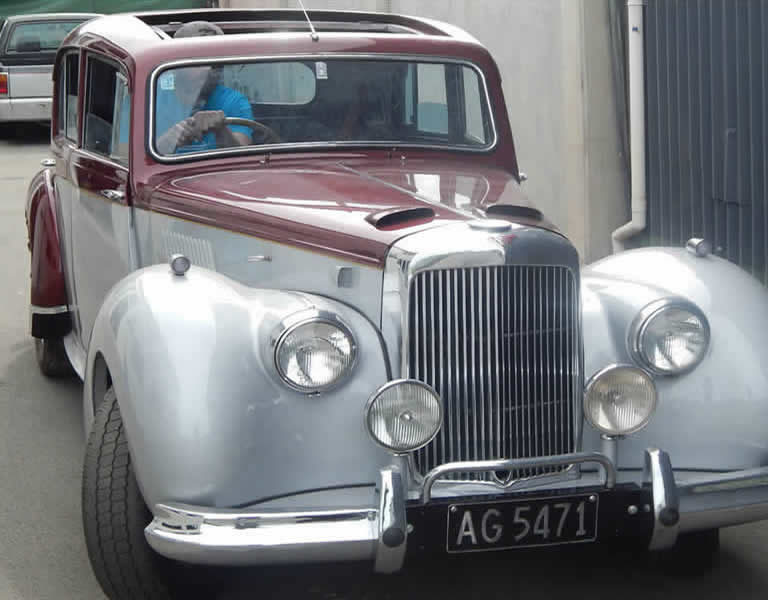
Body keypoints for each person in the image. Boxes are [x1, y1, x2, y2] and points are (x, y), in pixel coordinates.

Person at [155, 21, 254, 154]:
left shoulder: (234, 101)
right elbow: (126, 156)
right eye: (200, 61)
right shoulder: (150, 99)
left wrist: (221, 130)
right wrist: (168, 141)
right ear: (177, 64)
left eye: (217, 63)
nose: (210, 69)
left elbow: (243, 157)